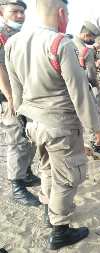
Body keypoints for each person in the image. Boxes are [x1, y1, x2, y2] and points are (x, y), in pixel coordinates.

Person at [5, 0, 100, 249]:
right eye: (68, 13)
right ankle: (60, 229)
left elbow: (15, 87)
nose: (68, 18)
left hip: (33, 122)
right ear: (61, 13)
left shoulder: (13, 42)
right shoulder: (61, 43)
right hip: (60, 124)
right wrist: (96, 127)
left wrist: (21, 116)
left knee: (48, 169)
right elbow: (79, 91)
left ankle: (49, 212)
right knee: (67, 177)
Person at [0, 0, 41, 207]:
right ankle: (17, 187)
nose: (19, 15)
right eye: (14, 11)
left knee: (30, 137)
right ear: (2, 12)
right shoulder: (1, 36)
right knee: (17, 141)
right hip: (11, 100)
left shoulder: (21, 37)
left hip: (27, 96)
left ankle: (26, 173)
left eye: (22, 12)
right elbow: (0, 72)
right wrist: (10, 98)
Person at [73, 21, 100, 156]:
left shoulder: (70, 43)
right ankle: (94, 148)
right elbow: (90, 74)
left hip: (71, 89)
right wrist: (96, 86)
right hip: (84, 88)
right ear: (85, 34)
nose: (92, 41)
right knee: (92, 117)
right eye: (91, 38)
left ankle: (90, 148)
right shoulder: (86, 50)